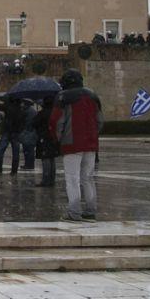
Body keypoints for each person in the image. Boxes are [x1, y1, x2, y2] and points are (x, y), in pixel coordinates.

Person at [50, 69, 103, 221]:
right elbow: (100, 121)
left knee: (72, 179)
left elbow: (56, 121)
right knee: (88, 178)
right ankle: (90, 210)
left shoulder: (63, 97)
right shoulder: (93, 95)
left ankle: (74, 212)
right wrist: (93, 135)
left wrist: (58, 139)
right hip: (91, 143)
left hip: (71, 142)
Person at [0, 96, 25, 175]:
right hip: (16, 132)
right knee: (16, 152)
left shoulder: (8, 105)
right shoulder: (21, 108)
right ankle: (14, 171)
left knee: (0, 150)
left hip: (7, 131)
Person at [33, 96, 59, 186]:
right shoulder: (55, 112)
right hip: (53, 137)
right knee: (52, 158)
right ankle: (52, 180)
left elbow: (34, 123)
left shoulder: (43, 113)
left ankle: (46, 180)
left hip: (44, 137)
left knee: (46, 159)